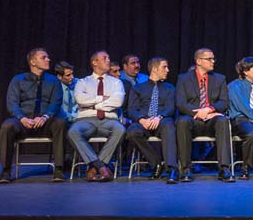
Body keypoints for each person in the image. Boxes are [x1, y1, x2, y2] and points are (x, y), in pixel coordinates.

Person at [0, 48, 67, 184]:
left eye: (48, 57)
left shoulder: (54, 81)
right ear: (33, 62)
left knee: (60, 123)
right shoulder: (18, 80)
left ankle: (58, 169)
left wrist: (45, 116)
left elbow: (56, 102)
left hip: (45, 122)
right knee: (7, 126)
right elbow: (12, 103)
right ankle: (5, 171)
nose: (48, 60)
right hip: (23, 122)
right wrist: (22, 118)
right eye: (44, 57)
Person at [175, 48, 235, 183]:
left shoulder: (219, 78)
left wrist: (209, 110)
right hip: (192, 118)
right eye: (210, 59)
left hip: (211, 119)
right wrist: (199, 112)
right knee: (182, 121)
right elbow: (180, 103)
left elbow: (224, 102)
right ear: (198, 61)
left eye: (213, 58)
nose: (213, 61)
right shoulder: (183, 78)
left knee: (223, 121)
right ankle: (185, 169)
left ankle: (224, 169)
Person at [68, 51, 126, 182]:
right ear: (94, 62)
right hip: (86, 119)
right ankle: (101, 166)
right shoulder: (83, 82)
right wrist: (102, 98)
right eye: (104, 58)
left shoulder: (116, 83)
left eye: (109, 58)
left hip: (109, 119)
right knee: (73, 131)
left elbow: (117, 102)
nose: (108, 60)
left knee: (120, 129)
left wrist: (94, 105)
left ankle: (93, 168)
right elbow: (80, 99)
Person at [127, 56, 179, 183]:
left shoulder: (170, 87)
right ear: (155, 69)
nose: (167, 70)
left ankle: (172, 168)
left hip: (162, 119)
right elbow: (132, 109)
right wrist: (141, 119)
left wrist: (159, 117)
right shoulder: (138, 88)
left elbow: (170, 107)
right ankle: (156, 164)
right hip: (144, 120)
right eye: (164, 67)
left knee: (169, 126)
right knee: (132, 132)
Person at [109, 60, 133, 126]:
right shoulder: (102, 86)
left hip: (124, 117)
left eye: (119, 70)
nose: (119, 74)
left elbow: (130, 106)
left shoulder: (126, 84)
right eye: (115, 72)